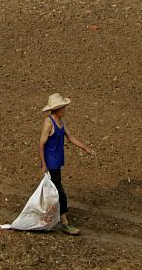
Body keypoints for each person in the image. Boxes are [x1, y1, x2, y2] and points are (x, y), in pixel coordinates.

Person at [38, 92, 95, 235]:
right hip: (51, 163)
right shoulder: (48, 122)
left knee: (53, 192)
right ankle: (65, 223)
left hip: (57, 162)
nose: (65, 109)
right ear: (57, 108)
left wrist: (85, 148)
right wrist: (43, 164)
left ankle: (47, 217)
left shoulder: (61, 122)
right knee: (60, 193)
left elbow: (70, 137)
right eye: (63, 107)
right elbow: (41, 144)